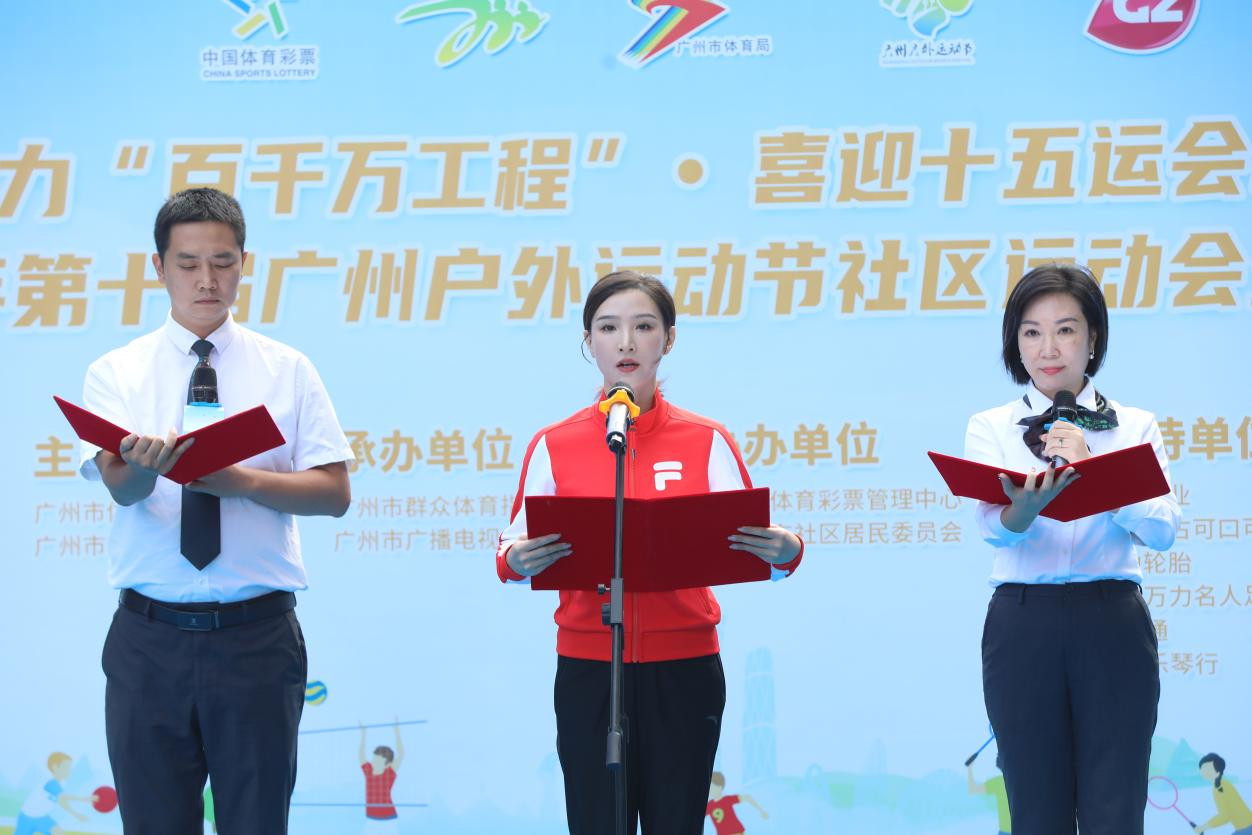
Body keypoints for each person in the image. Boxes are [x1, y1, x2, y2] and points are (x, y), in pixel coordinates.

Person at [79, 187, 353, 834]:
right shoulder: (117, 371)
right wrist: (144, 466)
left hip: (257, 639)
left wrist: (242, 481)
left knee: (257, 821)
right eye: (188, 263)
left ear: (244, 264)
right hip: (149, 640)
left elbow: (335, 493)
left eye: (223, 262)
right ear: (159, 267)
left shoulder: (287, 369)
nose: (207, 280)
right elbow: (122, 490)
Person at [495, 270, 803, 834]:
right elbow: (509, 553)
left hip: (683, 669)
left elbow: (758, 546)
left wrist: (786, 549)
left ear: (669, 338)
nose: (626, 342)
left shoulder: (705, 439)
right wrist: (517, 559)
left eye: (643, 326)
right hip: (590, 668)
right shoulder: (554, 443)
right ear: (589, 342)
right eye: (608, 328)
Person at [964, 263, 1180, 834]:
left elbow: (1162, 530)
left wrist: (1096, 470)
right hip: (1022, 623)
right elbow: (993, 528)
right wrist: (1025, 509)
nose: (1048, 348)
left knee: (1116, 803)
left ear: (1093, 339)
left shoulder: (1135, 425)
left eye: (1065, 329)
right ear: (1015, 342)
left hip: (1111, 619)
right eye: (1031, 332)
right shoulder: (991, 426)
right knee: (1035, 805)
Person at [13, 753, 97, 835]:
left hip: (42, 818)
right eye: (66, 767)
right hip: (27, 817)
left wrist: (76, 814)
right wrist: (86, 798)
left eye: (70, 768)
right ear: (55, 767)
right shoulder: (50, 782)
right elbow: (64, 797)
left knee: (57, 832)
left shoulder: (61, 784)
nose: (69, 771)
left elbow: (62, 802)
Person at [359, 720, 406, 832]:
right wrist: (363, 734)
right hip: (370, 819)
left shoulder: (389, 774)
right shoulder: (368, 771)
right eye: (374, 759)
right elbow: (361, 754)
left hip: (389, 820)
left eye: (378, 761)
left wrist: (397, 732)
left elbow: (401, 754)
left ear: (387, 764)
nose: (373, 762)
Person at [1195, 754, 1252, 834]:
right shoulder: (1220, 785)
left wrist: (1203, 827)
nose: (1203, 772)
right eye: (1202, 769)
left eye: (1207, 769)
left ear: (1218, 772)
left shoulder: (1220, 787)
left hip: (1246, 827)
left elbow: (1224, 816)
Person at [706, 771, 768, 835]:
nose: (711, 790)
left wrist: (762, 811)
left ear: (720, 787)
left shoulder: (726, 800)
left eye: (712, 787)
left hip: (736, 832)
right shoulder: (709, 805)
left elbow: (747, 797)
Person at [966, 755, 1011, 834]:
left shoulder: (998, 782)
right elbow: (973, 789)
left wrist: (970, 768)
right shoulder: (999, 782)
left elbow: (973, 789)